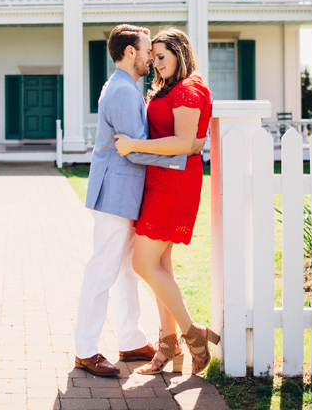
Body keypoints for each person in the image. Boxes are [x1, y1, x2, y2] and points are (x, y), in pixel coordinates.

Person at [73, 24, 204, 378]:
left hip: (129, 197)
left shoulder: (125, 87)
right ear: (130, 53)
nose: (151, 58)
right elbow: (132, 151)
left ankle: (131, 340)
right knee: (102, 271)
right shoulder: (124, 92)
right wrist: (184, 152)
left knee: (127, 271)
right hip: (116, 195)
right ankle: (85, 349)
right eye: (148, 50)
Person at [114, 27, 219, 375]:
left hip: (174, 184)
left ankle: (193, 334)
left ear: (179, 52)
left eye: (161, 57)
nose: (155, 64)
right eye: (153, 57)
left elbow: (183, 142)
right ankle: (168, 348)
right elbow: (182, 140)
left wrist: (132, 145)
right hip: (158, 181)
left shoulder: (190, 88)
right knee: (161, 265)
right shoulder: (170, 88)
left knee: (143, 264)